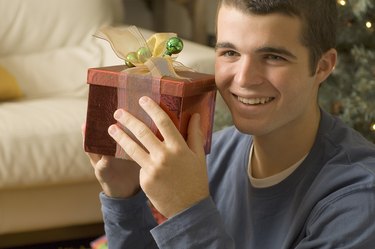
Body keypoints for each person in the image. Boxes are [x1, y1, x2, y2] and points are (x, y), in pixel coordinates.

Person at [84, 0, 375, 248]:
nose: (244, 78)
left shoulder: (359, 200)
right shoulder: (213, 153)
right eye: (230, 53)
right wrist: (125, 196)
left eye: (273, 57)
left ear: (323, 66)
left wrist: (187, 209)